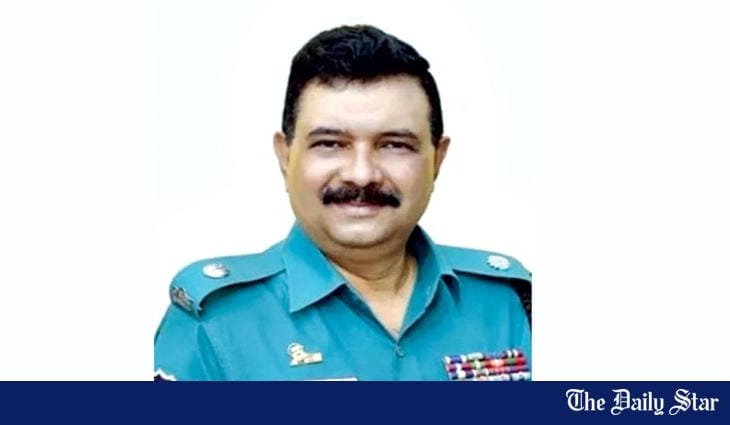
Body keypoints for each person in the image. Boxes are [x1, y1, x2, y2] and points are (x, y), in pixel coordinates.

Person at [154, 24, 531, 381]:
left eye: (394, 145)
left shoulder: (508, 304)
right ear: (285, 156)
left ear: (438, 158)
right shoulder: (216, 323)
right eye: (331, 144)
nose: (361, 175)